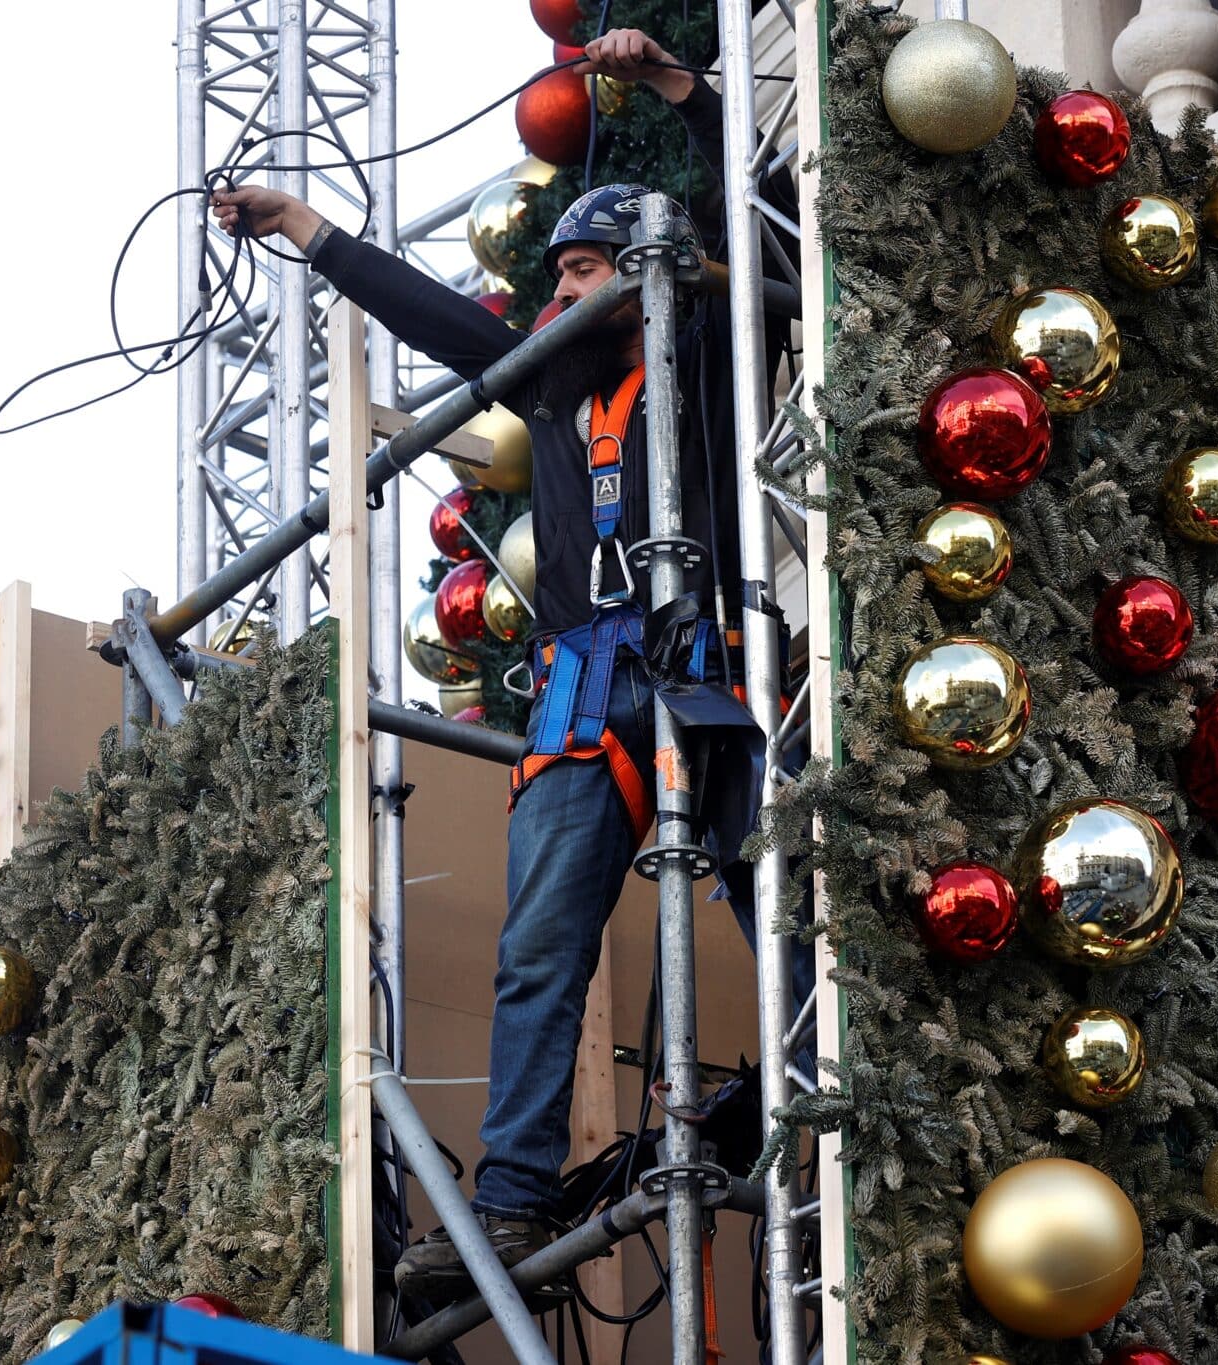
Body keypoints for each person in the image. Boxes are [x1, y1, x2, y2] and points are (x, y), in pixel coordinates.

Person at [212, 26, 803, 1299]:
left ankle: (829, 1113)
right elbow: (436, 316)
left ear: (648, 267)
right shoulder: (549, 390)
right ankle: (520, 1203)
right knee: (539, 948)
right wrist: (316, 234)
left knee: (781, 913)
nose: (554, 298)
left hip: (714, 667)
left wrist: (677, 94)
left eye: (582, 268)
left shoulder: (712, 354)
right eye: (551, 276)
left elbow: (765, 231)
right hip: (591, 692)